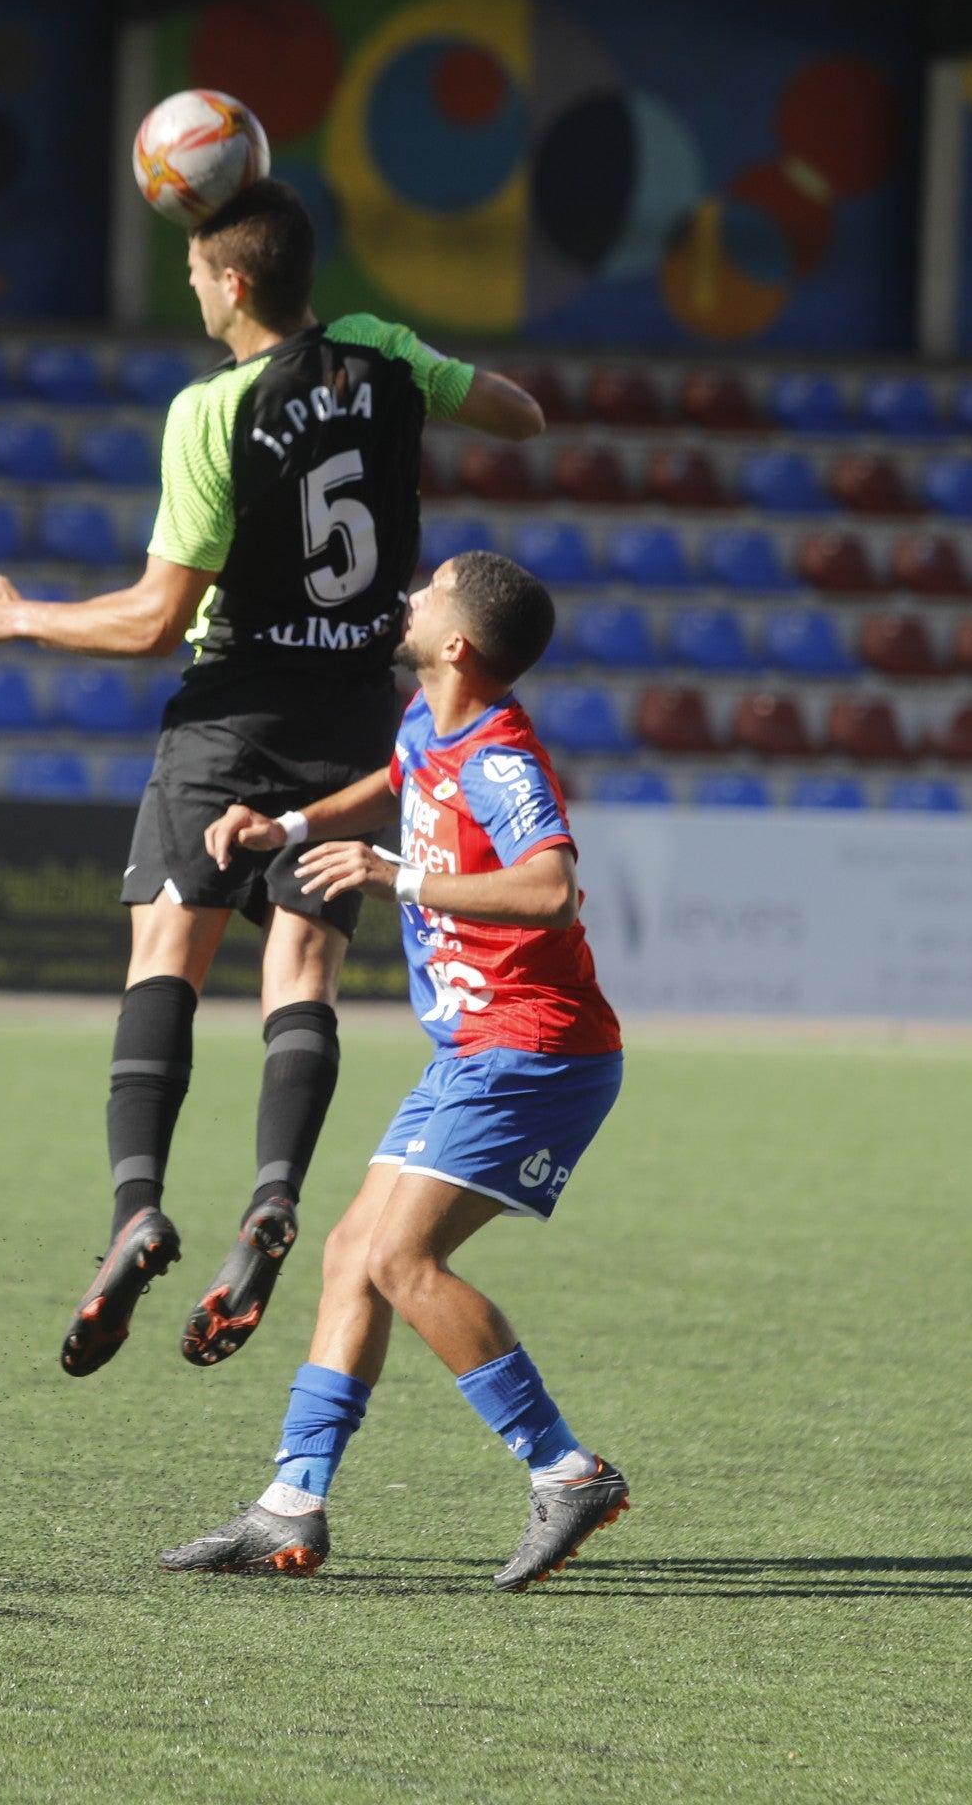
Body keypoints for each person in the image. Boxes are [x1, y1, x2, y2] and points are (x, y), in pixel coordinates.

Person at [0, 179, 544, 1379]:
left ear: (233, 282)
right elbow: (520, 415)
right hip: (351, 718)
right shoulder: (378, 350)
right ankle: (271, 1194)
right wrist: (429, 382)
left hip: (228, 714)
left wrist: (22, 618)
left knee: (166, 954)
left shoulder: (210, 409)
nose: (192, 287)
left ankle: (136, 1210)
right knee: (303, 963)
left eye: (198, 271)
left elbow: (156, 622)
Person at [161, 550, 629, 1591]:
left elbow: (551, 887)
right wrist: (288, 823)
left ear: (457, 641)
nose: (407, 596)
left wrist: (396, 874)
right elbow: (398, 781)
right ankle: (291, 1504)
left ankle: (566, 1469)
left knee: (398, 1260)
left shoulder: (502, 757)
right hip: (476, 1047)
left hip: (534, 1050)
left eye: (428, 590)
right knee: (349, 1251)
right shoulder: (430, 718)